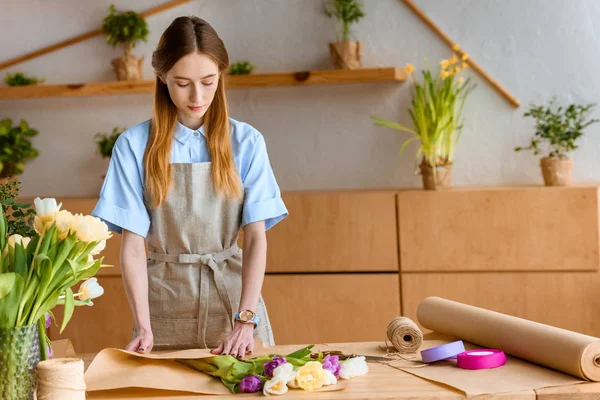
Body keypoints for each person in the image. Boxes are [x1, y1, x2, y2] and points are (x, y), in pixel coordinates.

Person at [92, 16, 288, 359]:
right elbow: (133, 247)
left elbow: (256, 237)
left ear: (220, 77)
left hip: (235, 310)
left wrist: (245, 320)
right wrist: (144, 324)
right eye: (182, 83)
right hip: (161, 310)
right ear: (162, 76)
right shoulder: (133, 146)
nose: (197, 96)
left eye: (208, 82)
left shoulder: (246, 142)